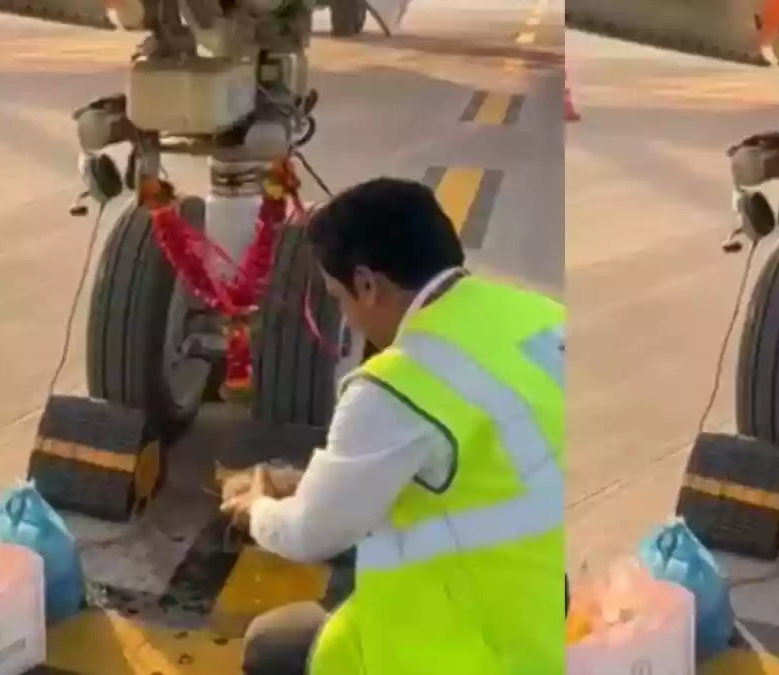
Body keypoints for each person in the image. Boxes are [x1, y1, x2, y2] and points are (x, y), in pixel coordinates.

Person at [219, 177, 566, 675]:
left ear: (366, 284)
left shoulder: (397, 383)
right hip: (559, 620)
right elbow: (494, 465)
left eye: (338, 298)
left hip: (480, 650)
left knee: (272, 646)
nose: (348, 318)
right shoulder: (540, 315)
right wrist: (317, 483)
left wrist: (256, 510)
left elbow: (311, 534)